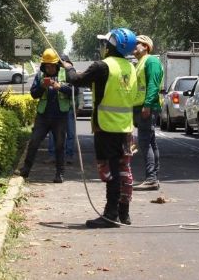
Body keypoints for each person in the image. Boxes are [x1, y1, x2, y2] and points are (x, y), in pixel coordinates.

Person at [63, 28, 137, 227]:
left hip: (106, 127)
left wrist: (68, 66)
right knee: (124, 170)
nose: (103, 46)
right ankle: (124, 213)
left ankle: (110, 215)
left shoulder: (102, 66)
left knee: (111, 171)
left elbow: (75, 80)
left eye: (105, 43)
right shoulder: (130, 68)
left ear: (111, 45)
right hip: (126, 128)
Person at [19, 48, 74, 183]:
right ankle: (25, 170)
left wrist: (59, 86)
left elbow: (74, 91)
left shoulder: (65, 74)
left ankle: (59, 174)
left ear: (56, 64)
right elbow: (33, 94)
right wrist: (42, 87)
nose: (48, 68)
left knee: (60, 145)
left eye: (51, 65)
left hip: (60, 116)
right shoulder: (40, 76)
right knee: (34, 142)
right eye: (46, 66)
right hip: (43, 116)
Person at [132, 35, 164, 191]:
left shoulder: (151, 61)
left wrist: (147, 105)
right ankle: (154, 177)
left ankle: (151, 178)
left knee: (144, 142)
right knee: (150, 142)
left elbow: (153, 84)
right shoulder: (140, 63)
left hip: (147, 107)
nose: (134, 46)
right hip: (141, 107)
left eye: (137, 43)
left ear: (145, 46)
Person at [48, 54, 79, 164]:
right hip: (55, 108)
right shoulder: (52, 73)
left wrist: (77, 105)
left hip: (69, 108)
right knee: (53, 134)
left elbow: (75, 91)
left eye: (62, 63)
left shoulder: (70, 73)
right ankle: (52, 155)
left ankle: (69, 155)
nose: (61, 65)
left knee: (70, 133)